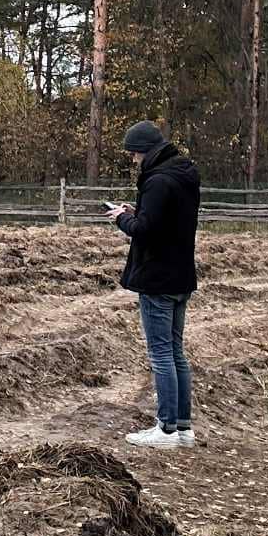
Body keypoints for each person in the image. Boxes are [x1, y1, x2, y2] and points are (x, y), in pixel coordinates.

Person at [104, 120, 202, 449]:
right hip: (180, 275)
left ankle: (165, 429)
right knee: (176, 353)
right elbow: (164, 219)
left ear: (145, 152)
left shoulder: (158, 181)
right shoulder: (182, 175)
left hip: (157, 277)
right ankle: (183, 427)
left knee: (161, 354)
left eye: (134, 155)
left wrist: (121, 218)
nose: (133, 161)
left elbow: (145, 230)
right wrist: (138, 209)